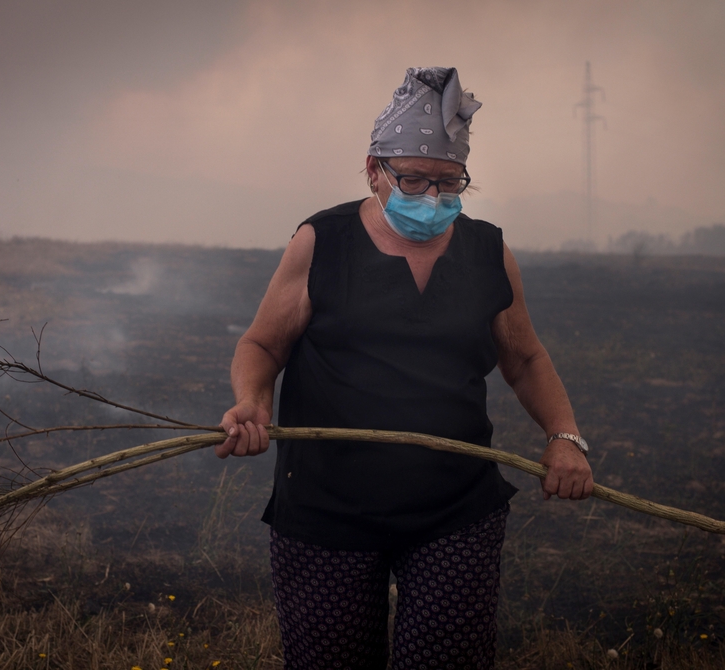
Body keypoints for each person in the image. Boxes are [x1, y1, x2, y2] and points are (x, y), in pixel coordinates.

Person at [217, 67, 593, 670]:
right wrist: (253, 402)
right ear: (374, 170)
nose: (432, 197)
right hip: (325, 508)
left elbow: (523, 358)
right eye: (413, 180)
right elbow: (262, 345)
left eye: (449, 183)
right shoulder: (323, 241)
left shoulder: (486, 251)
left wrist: (564, 437)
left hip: (454, 510)